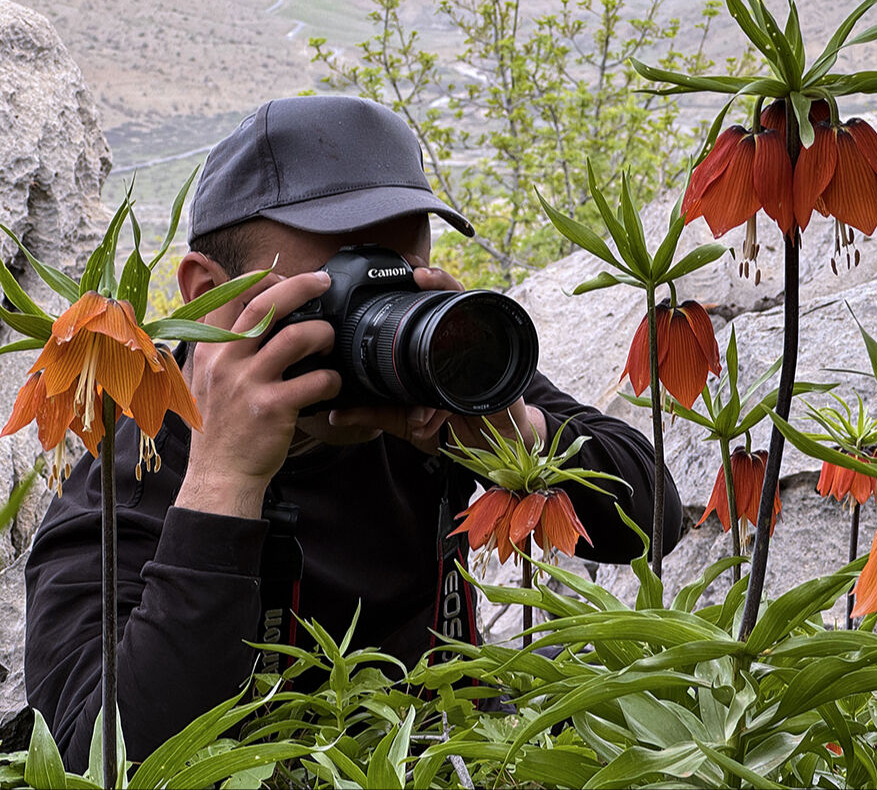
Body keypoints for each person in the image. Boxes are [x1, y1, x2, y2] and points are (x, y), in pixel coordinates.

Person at [23, 95, 683, 769]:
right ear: (207, 295)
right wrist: (224, 484)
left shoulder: (424, 387)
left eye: (400, 277)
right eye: (343, 283)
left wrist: (517, 434)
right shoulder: (138, 472)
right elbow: (92, 758)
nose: (385, 316)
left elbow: (657, 517)